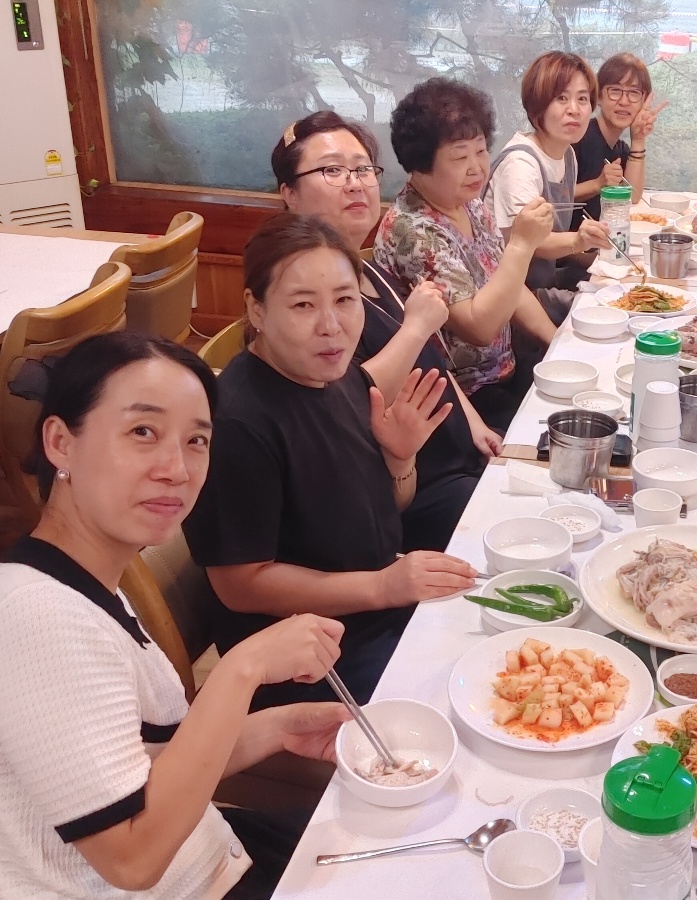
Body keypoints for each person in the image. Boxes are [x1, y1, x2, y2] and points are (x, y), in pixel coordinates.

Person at [0, 331, 349, 899]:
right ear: (60, 443)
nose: (176, 469)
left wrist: (279, 728)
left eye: (196, 440)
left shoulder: (80, 578)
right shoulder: (38, 621)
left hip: (207, 856)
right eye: (142, 432)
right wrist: (244, 667)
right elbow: (132, 860)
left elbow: (148, 769)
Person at [184, 214, 479, 708]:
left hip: (374, 613)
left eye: (344, 300)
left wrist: (400, 457)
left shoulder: (336, 376)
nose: (331, 326)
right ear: (256, 309)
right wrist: (383, 586)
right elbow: (239, 585)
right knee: (462, 697)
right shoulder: (237, 424)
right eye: (303, 304)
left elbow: (381, 509)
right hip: (308, 657)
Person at [272, 111, 499, 551]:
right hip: (403, 500)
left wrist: (473, 423)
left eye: (363, 169)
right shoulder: (296, 294)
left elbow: (430, 358)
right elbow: (340, 402)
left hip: (457, 461)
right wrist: (416, 326)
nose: (355, 184)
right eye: (332, 170)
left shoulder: (369, 268)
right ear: (290, 194)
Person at [375, 77, 558, 431]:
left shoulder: (468, 203)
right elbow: (480, 328)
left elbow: (509, 286)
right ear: (420, 163)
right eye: (460, 156)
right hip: (458, 398)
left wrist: (556, 341)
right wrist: (522, 245)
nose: (476, 167)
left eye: (481, 150)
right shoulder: (413, 229)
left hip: (503, 373)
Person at [485, 51, 613, 299]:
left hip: (543, 279)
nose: (574, 110)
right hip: (511, 295)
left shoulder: (567, 153)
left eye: (582, 99)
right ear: (538, 106)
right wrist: (578, 240)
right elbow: (528, 242)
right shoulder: (521, 163)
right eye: (561, 98)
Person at [571, 52, 668, 228]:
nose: (624, 101)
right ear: (598, 96)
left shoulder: (620, 148)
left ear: (643, 100)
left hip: (600, 238)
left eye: (634, 93)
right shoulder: (577, 138)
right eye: (615, 91)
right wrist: (597, 184)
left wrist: (638, 139)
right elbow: (550, 196)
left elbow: (633, 196)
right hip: (568, 241)